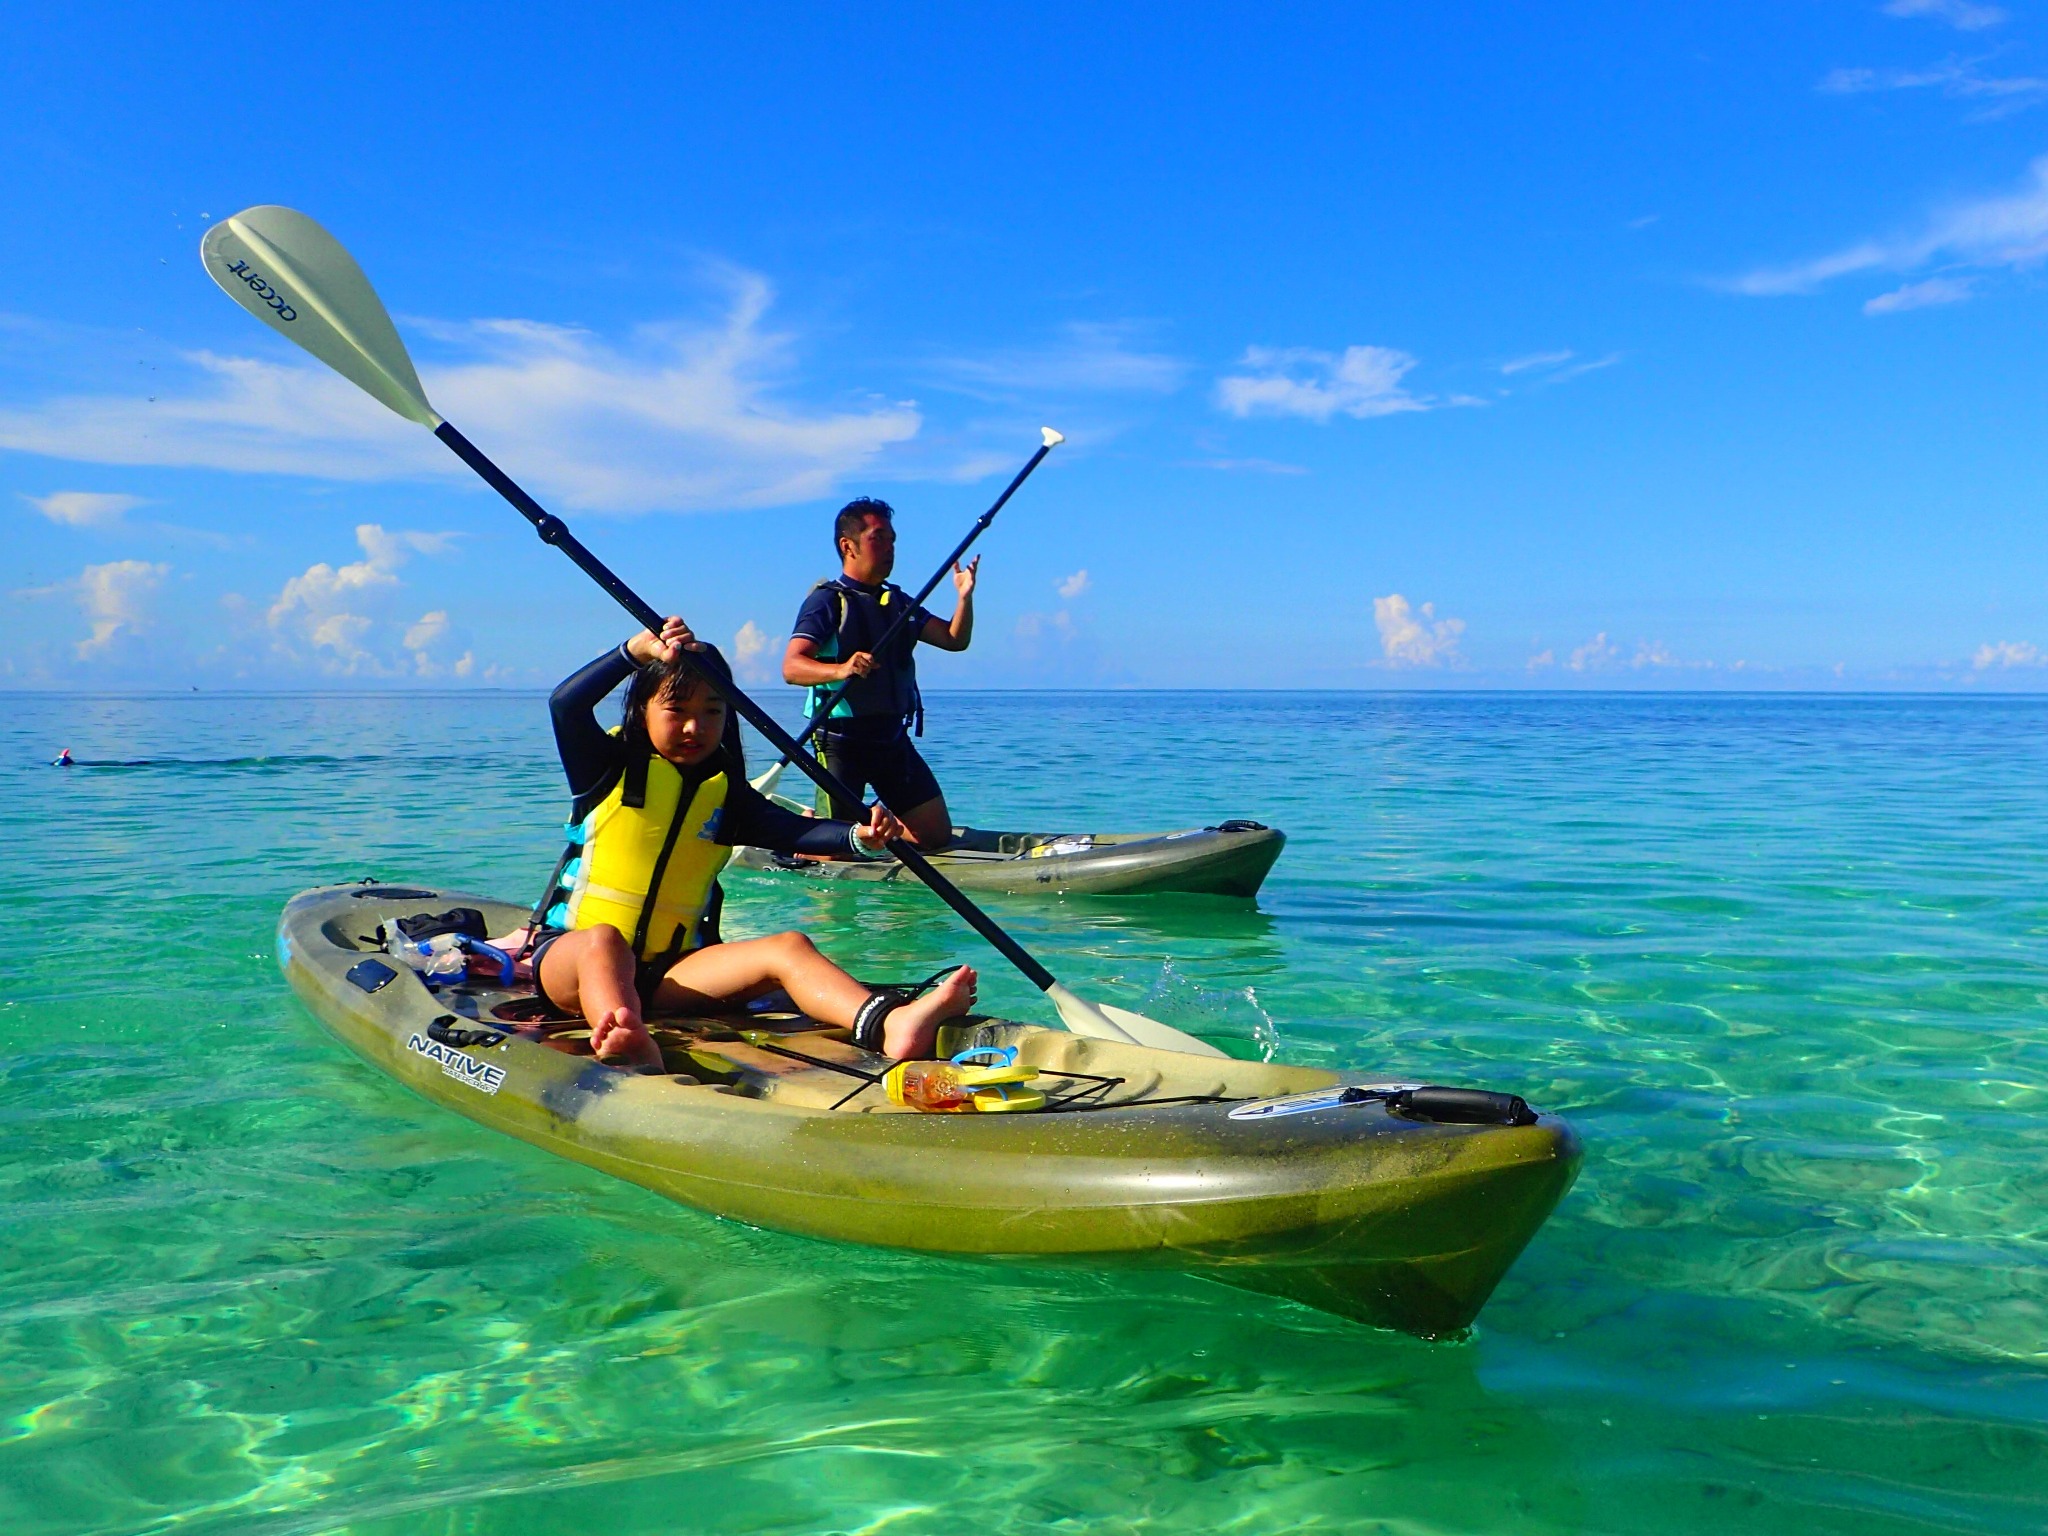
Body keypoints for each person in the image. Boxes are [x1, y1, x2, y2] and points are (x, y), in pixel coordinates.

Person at [525, 616, 977, 1070]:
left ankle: (891, 1025)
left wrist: (858, 836)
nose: (693, 727)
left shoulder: (725, 793)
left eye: (712, 711)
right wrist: (632, 653)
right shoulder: (604, 769)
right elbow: (565, 705)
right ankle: (624, 1038)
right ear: (643, 709)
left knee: (789, 946)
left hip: (670, 974)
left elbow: (793, 831)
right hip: (572, 959)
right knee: (605, 942)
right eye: (676, 710)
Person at [782, 496, 975, 850]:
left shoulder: (900, 603)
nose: (890, 549)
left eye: (892, 540)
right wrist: (843, 668)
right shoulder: (826, 602)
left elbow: (953, 639)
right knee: (834, 852)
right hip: (840, 741)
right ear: (848, 546)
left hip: (889, 737)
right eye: (878, 538)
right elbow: (791, 668)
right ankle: (808, 832)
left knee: (935, 837)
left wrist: (964, 597)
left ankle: (874, 827)